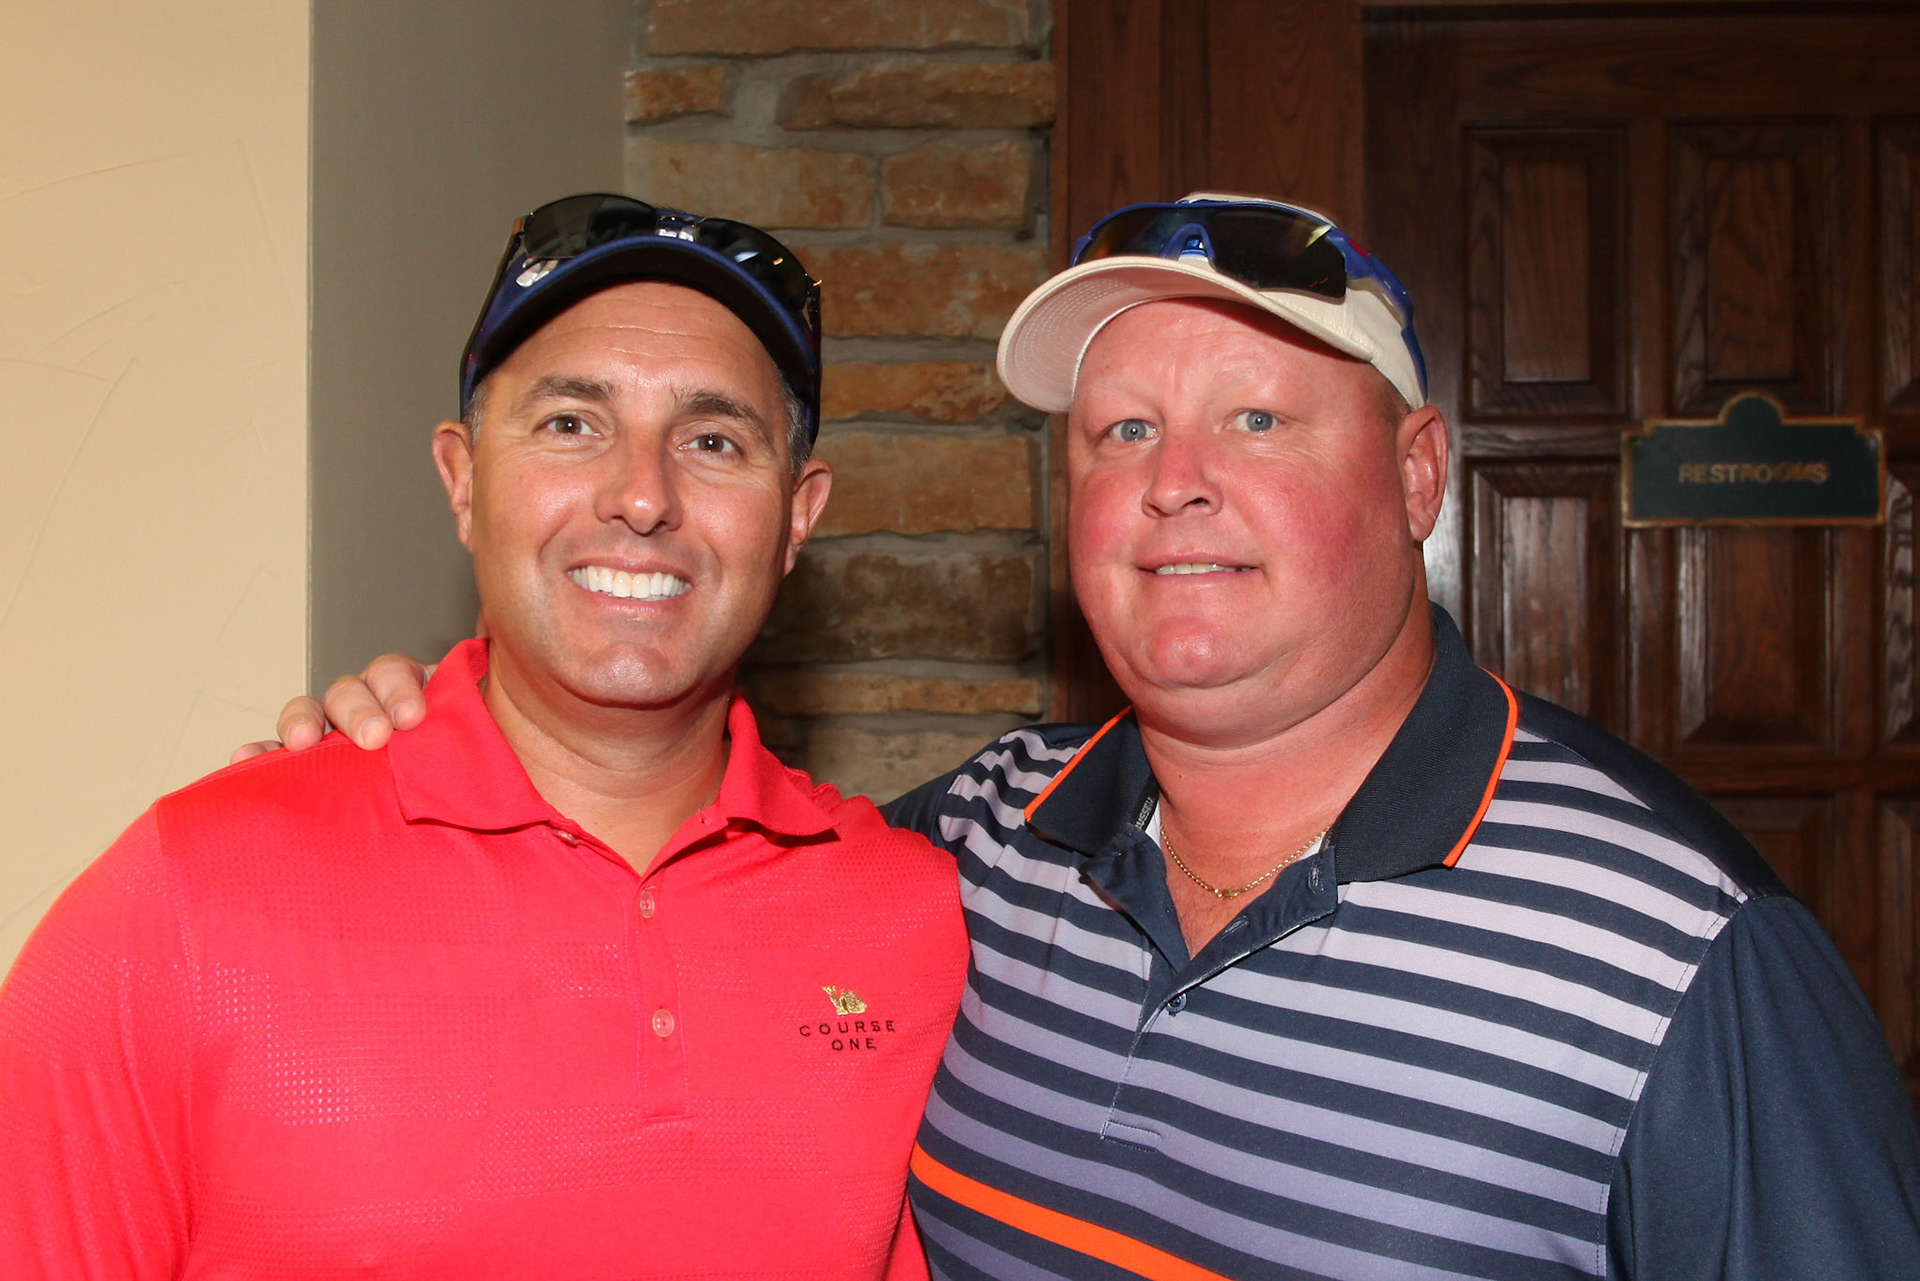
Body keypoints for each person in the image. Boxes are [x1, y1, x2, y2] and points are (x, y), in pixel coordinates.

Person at [264, 194, 1920, 1279]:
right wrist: (443, 740)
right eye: (1122, 428)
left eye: (1257, 418)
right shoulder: (965, 849)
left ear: (1418, 476)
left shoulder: (1684, 953)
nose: (1173, 477)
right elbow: (665, 880)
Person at [0, 193, 967, 1278]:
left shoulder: (918, 924)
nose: (641, 497)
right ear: (463, 480)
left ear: (797, 515)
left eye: (711, 438)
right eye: (571, 424)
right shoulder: (182, 903)